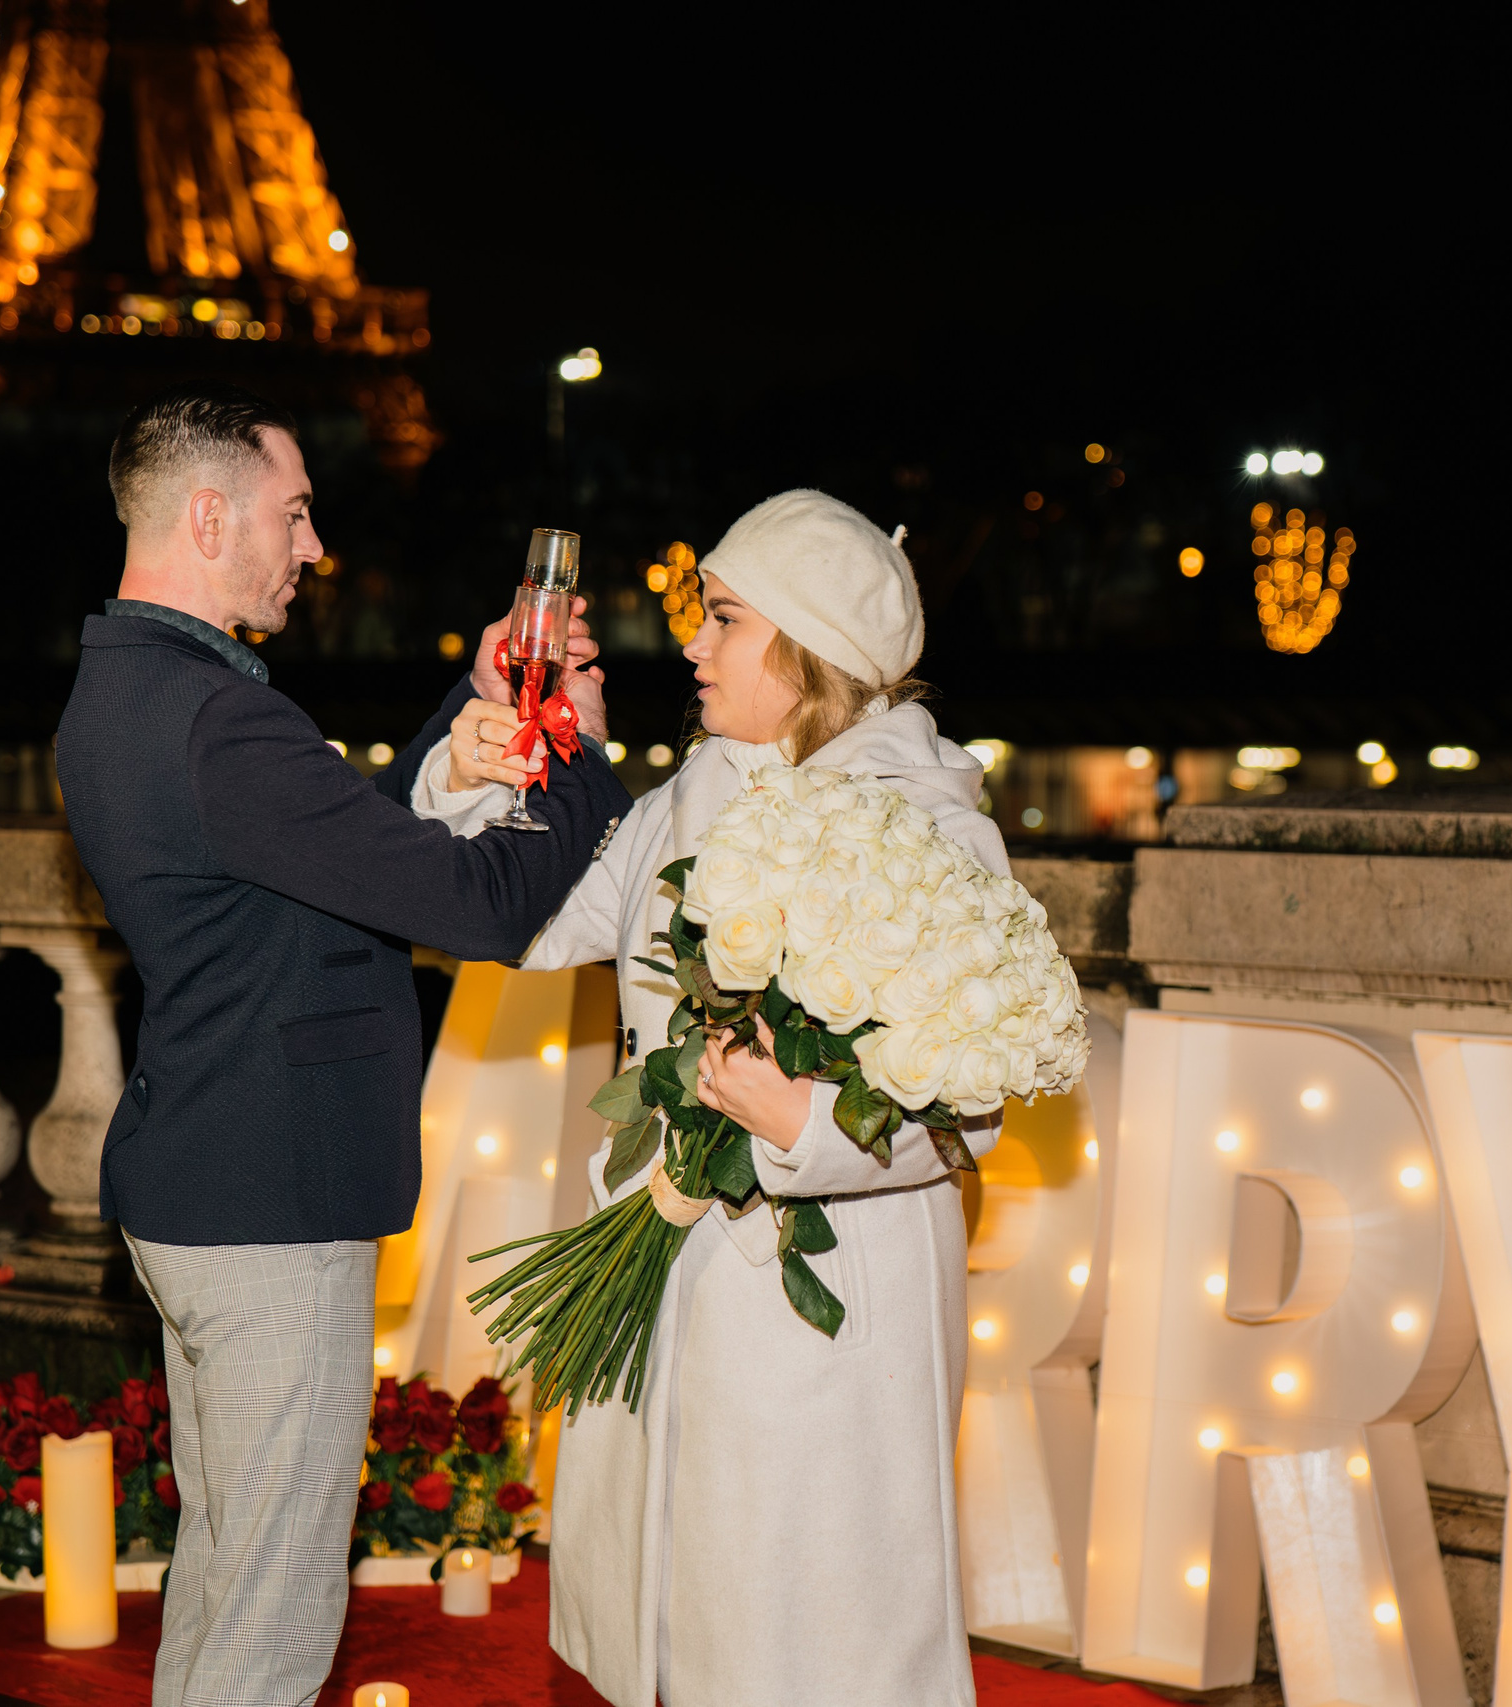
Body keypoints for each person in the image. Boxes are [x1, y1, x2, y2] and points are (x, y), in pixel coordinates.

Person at [53, 384, 632, 1707]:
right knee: (269, 1613)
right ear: (210, 515)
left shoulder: (123, 693)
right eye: (295, 513)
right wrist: (581, 756)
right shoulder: (221, 719)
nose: (314, 548)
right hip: (273, 1198)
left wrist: (469, 701)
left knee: (224, 1578)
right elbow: (470, 903)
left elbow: (331, 847)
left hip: (196, 1175)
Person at [415, 489, 1000, 1707]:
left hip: (828, 1291)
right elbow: (525, 924)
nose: (688, 644)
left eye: (722, 618)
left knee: (807, 1637)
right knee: (665, 1629)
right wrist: (510, 761)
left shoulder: (926, 820)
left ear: (810, 644)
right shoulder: (692, 791)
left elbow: (972, 1097)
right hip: (665, 1260)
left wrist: (806, 1130)